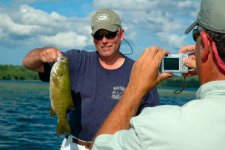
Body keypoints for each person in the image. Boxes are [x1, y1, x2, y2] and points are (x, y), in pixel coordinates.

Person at [92, 0, 225, 149]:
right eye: (98, 35)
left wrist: (135, 89)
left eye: (196, 35)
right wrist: (209, 69)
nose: (104, 40)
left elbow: (100, 146)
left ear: (206, 44)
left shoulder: (153, 129)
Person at [22, 9, 159, 150]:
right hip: (75, 145)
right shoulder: (74, 60)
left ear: (121, 34)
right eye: (99, 35)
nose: (104, 41)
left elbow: (151, 123)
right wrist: (41, 53)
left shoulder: (140, 72)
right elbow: (28, 63)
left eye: (110, 34)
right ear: (93, 37)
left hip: (119, 147)